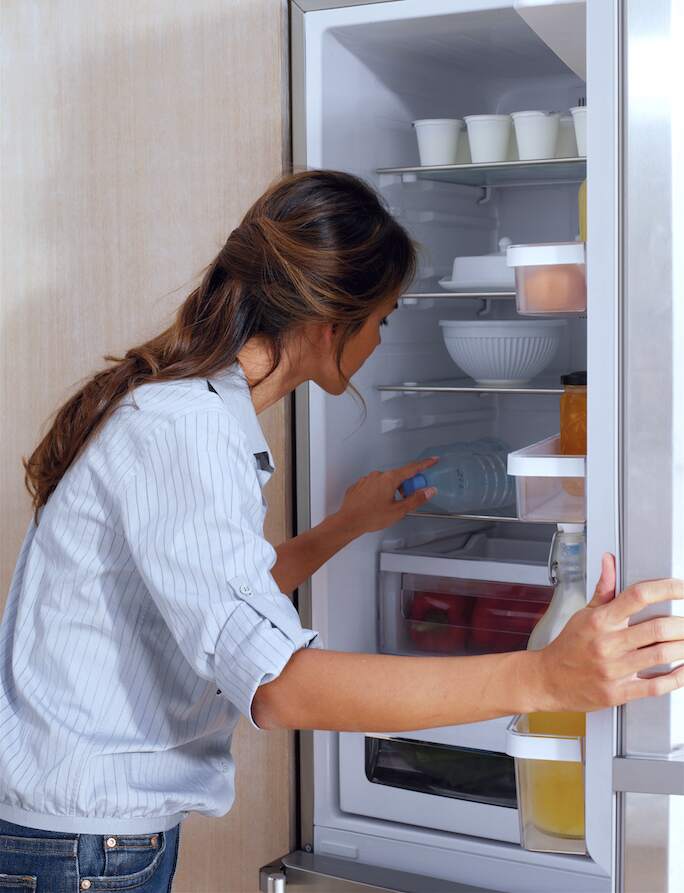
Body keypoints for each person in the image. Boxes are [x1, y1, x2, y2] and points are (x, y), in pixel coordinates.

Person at [1, 170, 683, 891]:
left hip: (77, 838)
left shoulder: (183, 409)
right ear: (332, 326)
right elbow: (280, 688)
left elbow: (217, 600)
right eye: (382, 319)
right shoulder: (185, 430)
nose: (382, 341)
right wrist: (542, 676)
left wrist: (345, 527)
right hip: (80, 848)